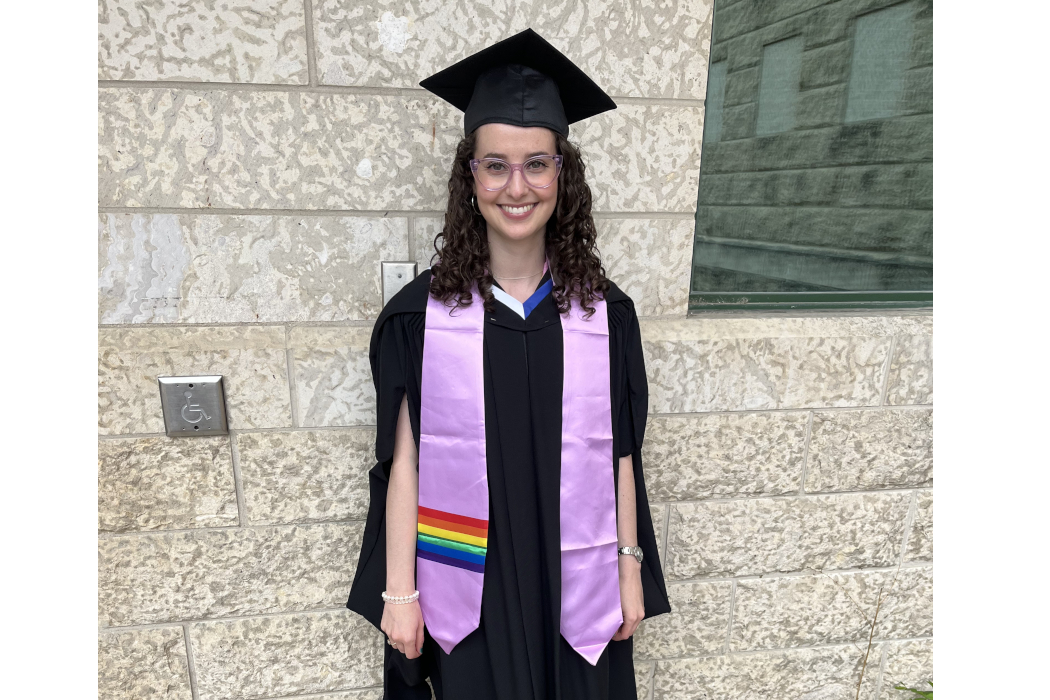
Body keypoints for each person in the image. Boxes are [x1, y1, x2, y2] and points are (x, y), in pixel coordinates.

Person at [345, 28, 671, 700]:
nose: (515, 186)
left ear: (562, 174)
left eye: (535, 164)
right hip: (470, 582)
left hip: (576, 577)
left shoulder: (605, 315)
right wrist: (400, 590)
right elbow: (402, 463)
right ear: (470, 179)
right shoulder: (420, 318)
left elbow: (621, 454)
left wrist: (629, 566)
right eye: (495, 165)